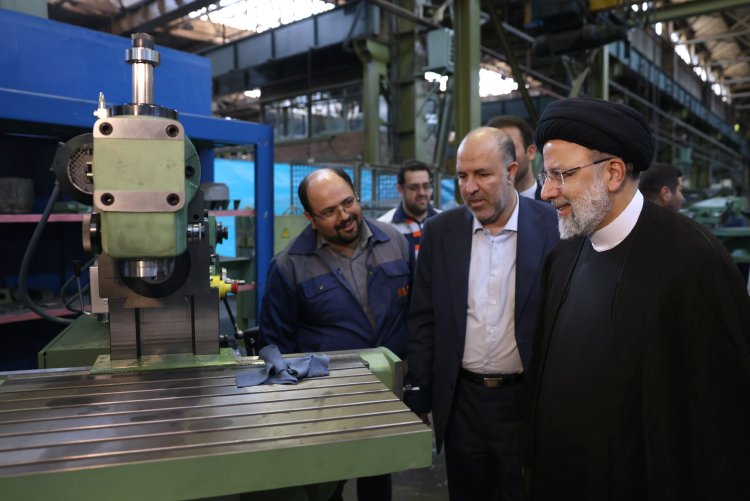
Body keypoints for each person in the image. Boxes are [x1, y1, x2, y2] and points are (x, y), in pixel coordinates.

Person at [526, 96, 750, 500]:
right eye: (546, 175)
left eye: (561, 175)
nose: (546, 192)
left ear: (613, 172)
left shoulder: (692, 259)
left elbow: (720, 416)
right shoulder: (562, 257)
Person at [407, 127, 560, 501]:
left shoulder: (554, 227)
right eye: (462, 176)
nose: (470, 187)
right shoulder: (440, 232)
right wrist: (420, 396)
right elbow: (424, 318)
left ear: (511, 171)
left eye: (482, 174)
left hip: (526, 403)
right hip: (462, 405)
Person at [258, 167, 413, 501]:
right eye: (329, 212)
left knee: (378, 474)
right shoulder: (289, 266)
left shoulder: (395, 243)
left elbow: (415, 316)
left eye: (348, 203)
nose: (344, 216)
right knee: (327, 484)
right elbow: (275, 344)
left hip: (386, 394)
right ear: (310, 219)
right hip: (325, 402)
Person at [378, 159, 441, 258]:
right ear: (400, 189)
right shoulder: (385, 227)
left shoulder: (444, 221)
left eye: (426, 186)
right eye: (414, 187)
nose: (422, 193)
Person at [487, 115, 542, 200]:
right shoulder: (479, 205)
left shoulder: (554, 203)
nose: (500, 156)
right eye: (493, 150)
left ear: (531, 152)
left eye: (508, 148)